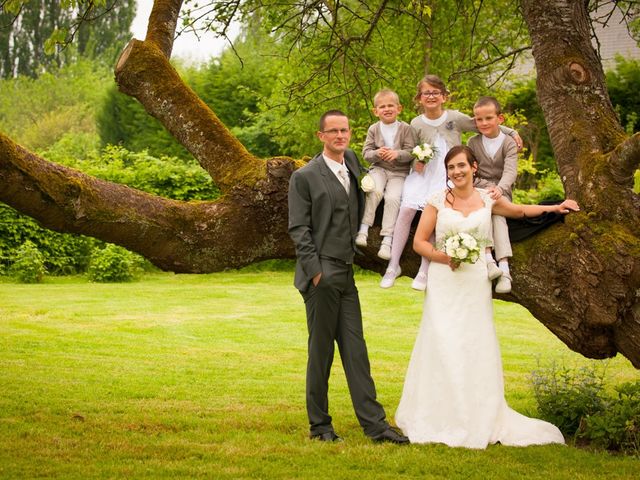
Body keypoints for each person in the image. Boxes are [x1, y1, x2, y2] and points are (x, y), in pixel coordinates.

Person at [394, 145, 576, 448]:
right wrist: (443, 257)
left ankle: (477, 412)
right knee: (441, 340)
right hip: (444, 280)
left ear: (474, 167)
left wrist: (555, 208)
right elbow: (419, 242)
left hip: (475, 280)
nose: (456, 172)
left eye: (461, 166)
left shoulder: (488, 199)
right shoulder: (438, 200)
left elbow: (519, 212)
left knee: (474, 342)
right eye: (451, 167)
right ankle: (437, 413)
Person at [288, 110, 409, 445]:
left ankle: (376, 426)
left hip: (347, 273)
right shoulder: (305, 177)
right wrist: (315, 274)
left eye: (344, 130)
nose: (340, 136)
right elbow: (299, 230)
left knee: (356, 349)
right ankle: (320, 427)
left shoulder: (353, 161)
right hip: (322, 274)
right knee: (322, 351)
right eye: (333, 131)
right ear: (321, 136)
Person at [380, 75, 523, 291]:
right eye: (426, 93)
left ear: (444, 97)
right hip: (425, 175)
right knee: (406, 210)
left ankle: (424, 269)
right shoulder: (416, 123)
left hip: (449, 175)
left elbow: (483, 125)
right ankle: (393, 265)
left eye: (435, 92)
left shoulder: (455, 117)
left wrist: (511, 131)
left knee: (438, 217)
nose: (431, 96)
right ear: (419, 98)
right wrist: (415, 161)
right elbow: (410, 149)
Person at [356, 89, 416, 260]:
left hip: (399, 173)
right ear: (376, 111)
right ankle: (363, 229)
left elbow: (411, 151)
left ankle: (387, 240)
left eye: (391, 105)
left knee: (393, 198)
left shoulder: (406, 129)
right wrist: (377, 153)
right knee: (374, 191)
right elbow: (366, 153)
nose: (387, 109)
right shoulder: (374, 129)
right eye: (382, 106)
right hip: (379, 169)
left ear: (399, 108)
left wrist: (398, 154)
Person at [468, 96, 519, 293]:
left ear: (500, 119)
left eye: (488, 118)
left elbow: (510, 171)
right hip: (480, 189)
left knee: (498, 215)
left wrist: (499, 189)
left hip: (502, 191)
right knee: (485, 213)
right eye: (479, 119)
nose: (483, 123)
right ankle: (490, 260)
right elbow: (473, 172)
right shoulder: (473, 142)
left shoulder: (508, 143)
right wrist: (487, 187)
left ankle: (503, 267)